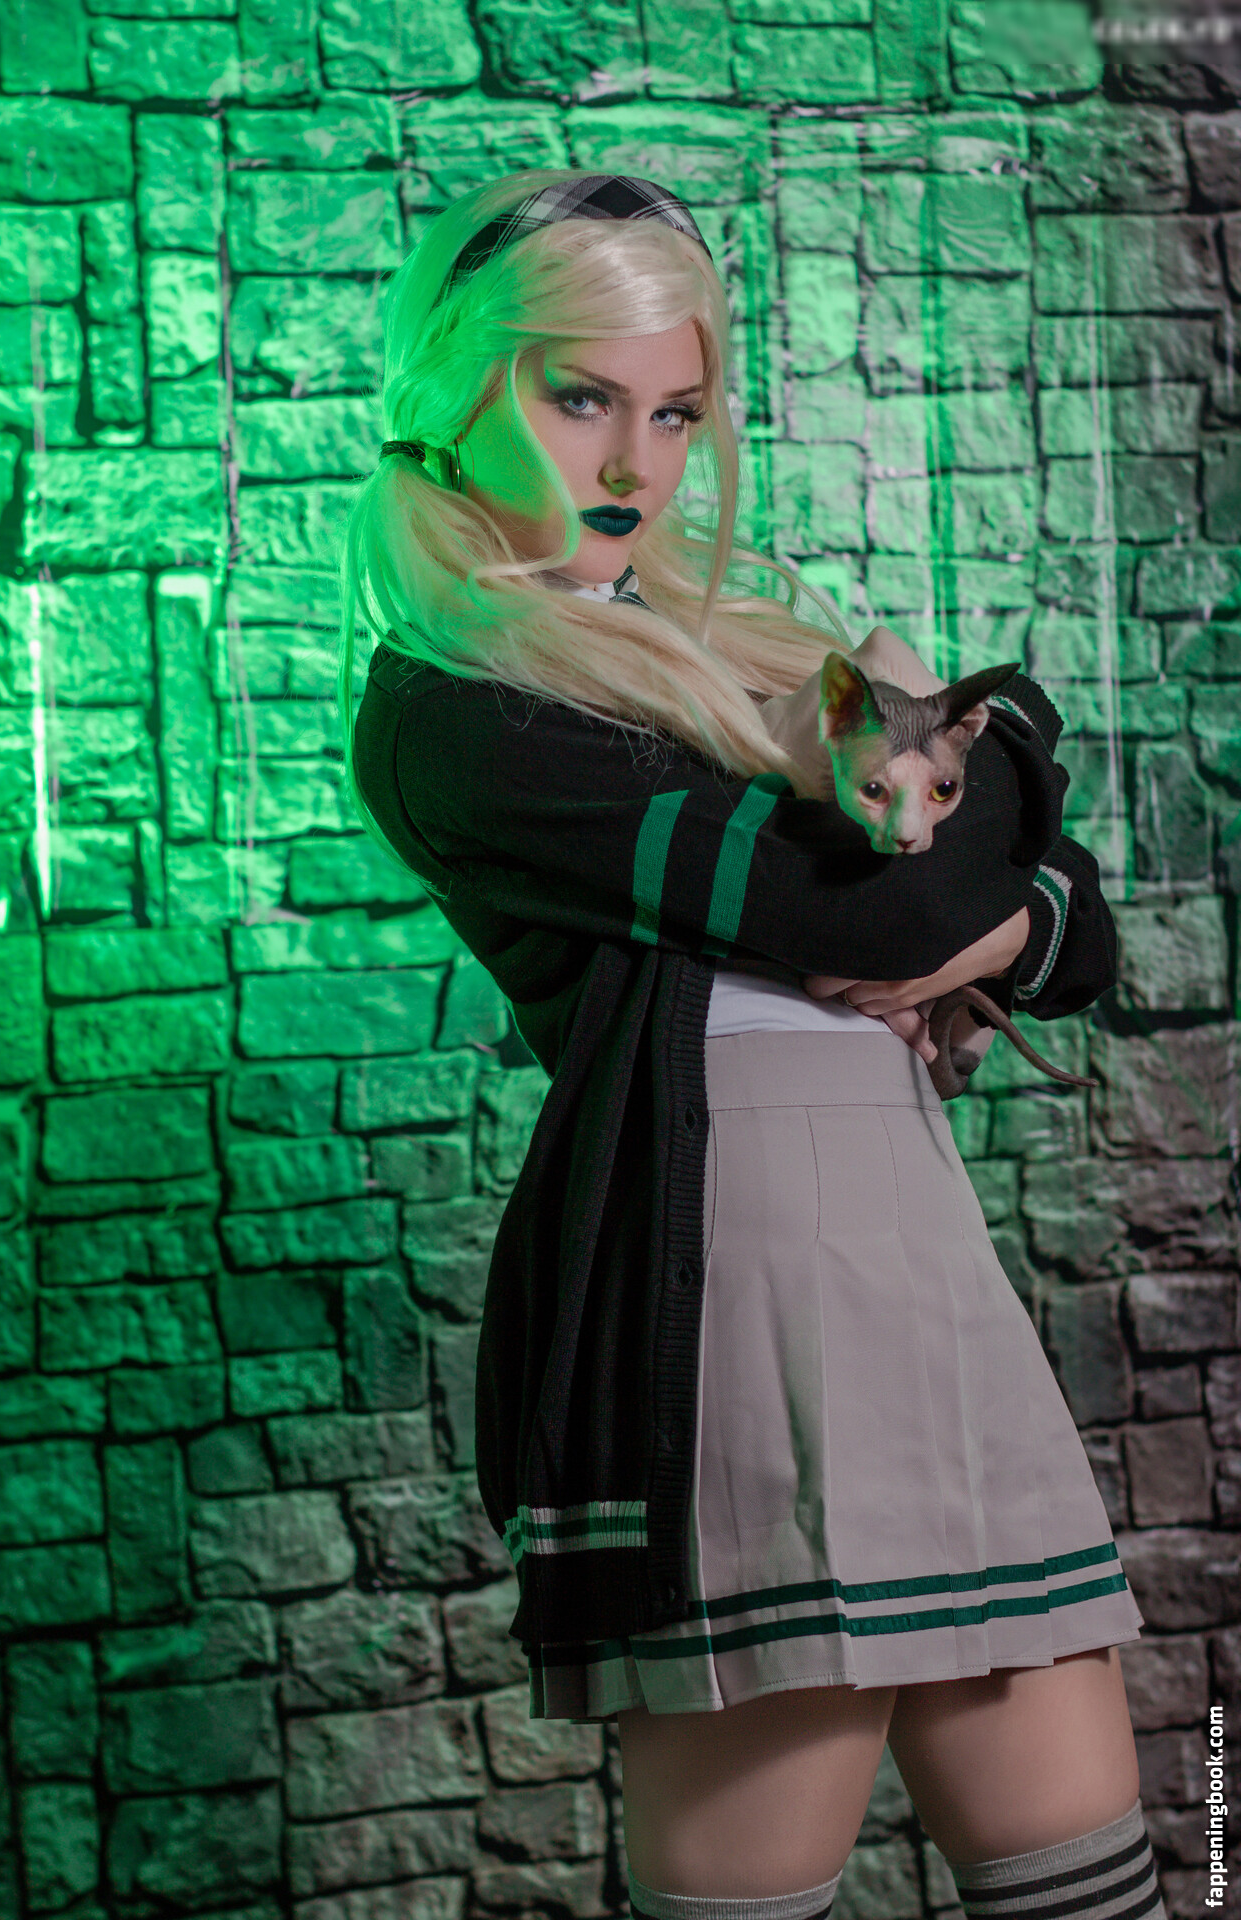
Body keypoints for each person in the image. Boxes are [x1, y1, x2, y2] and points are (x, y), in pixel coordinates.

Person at [341, 170, 1165, 1920]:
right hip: (731, 1307)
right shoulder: (457, 710)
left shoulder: (735, 645)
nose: (634, 461)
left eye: (675, 412)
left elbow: (1074, 933)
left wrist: (994, 919)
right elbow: (873, 904)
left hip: (926, 1276)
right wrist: (998, 777)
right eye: (581, 396)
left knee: (1120, 1886)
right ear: (454, 387)